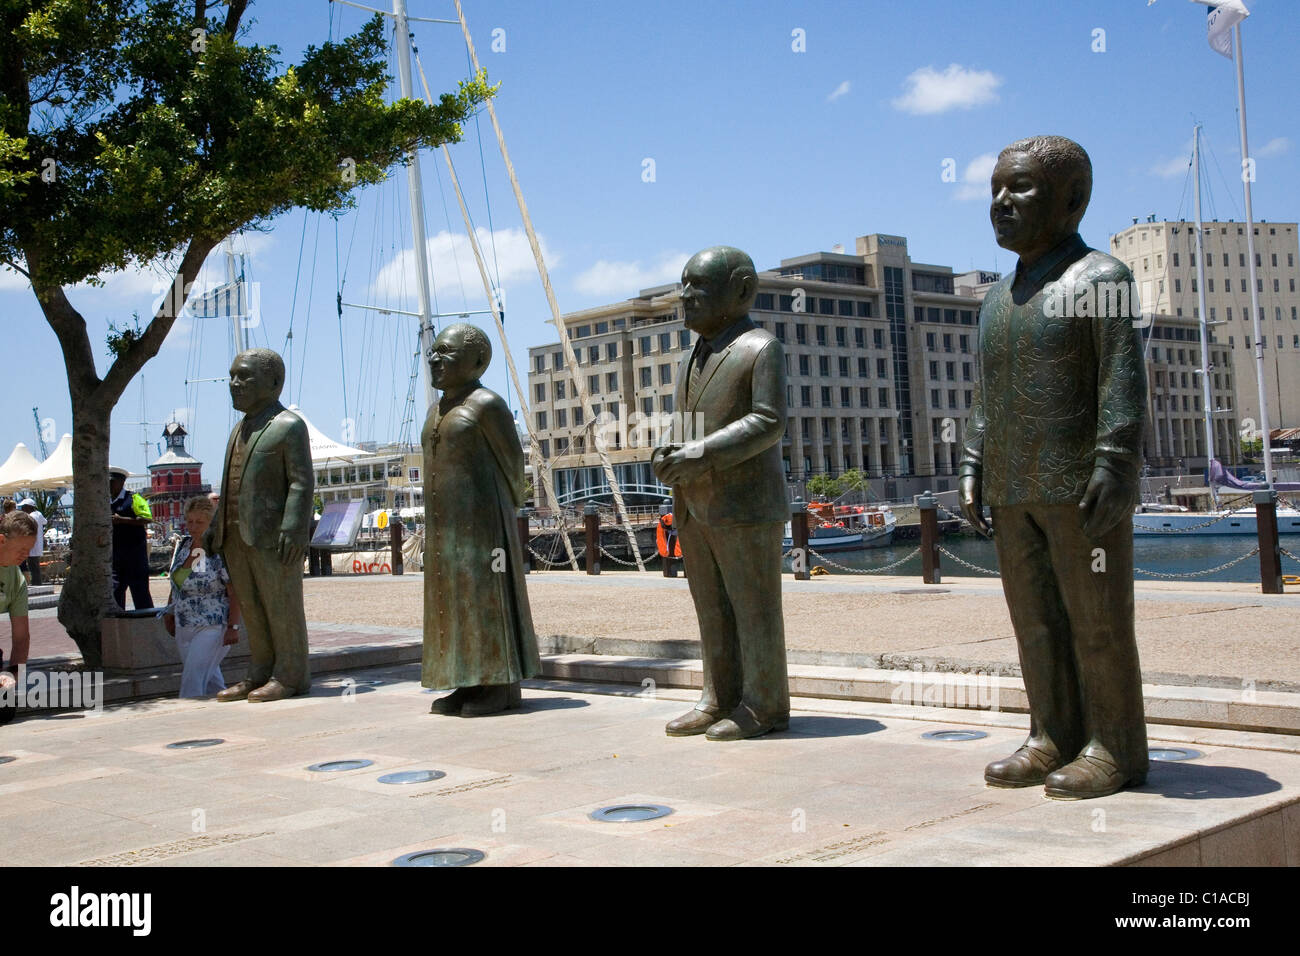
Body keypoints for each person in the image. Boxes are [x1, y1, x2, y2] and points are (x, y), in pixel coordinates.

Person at [958, 135, 1148, 799]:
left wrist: (1116, 462)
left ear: (1072, 200)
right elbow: (987, 395)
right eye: (995, 191)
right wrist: (974, 460)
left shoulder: (1102, 280)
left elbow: (1121, 379)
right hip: (1013, 486)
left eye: (1020, 189)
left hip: (1079, 485)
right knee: (1034, 621)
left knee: (1097, 622)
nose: (1002, 203)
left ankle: (1116, 745)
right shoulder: (994, 300)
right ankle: (1051, 734)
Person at [651, 246, 791, 741]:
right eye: (683, 283)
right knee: (711, 609)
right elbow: (688, 427)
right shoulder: (691, 355)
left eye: (699, 286)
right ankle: (718, 696)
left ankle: (764, 703)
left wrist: (699, 454)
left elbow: (769, 422)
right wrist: (672, 455)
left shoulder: (760, 349)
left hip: (746, 504)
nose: (685, 296)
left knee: (754, 609)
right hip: (694, 504)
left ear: (742, 290)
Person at [422, 324, 541, 717]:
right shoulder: (436, 410)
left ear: (476, 361)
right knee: (453, 603)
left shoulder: (487, 404)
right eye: (433, 352)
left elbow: (513, 466)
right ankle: (466, 678)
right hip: (445, 528)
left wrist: (500, 519)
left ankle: (500, 684)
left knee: (486, 600)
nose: (435, 359)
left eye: (446, 352)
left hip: (484, 525)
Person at [208, 348, 314, 703]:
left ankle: (290, 675)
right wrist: (215, 526)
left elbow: (301, 481)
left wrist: (295, 527)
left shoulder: (288, 425)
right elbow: (229, 484)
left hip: (273, 537)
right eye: (232, 377)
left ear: (273, 382)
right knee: (253, 608)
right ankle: (260, 670)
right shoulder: (238, 429)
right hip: (237, 536)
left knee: (282, 606)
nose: (235, 384)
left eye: (245, 377)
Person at [164, 495, 242, 698]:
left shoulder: (218, 550)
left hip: (212, 623)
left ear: (210, 523)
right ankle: (224, 715)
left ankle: (186, 718)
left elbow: (234, 591)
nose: (193, 526)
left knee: (193, 679)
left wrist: (233, 626)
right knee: (210, 680)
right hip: (184, 623)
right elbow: (176, 584)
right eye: (190, 521)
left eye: (200, 522)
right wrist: (169, 611)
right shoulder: (183, 546)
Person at [0, 512, 37, 726]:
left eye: (29, 550)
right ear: (2, 540)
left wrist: (13, 674)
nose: (26, 555)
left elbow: (21, 637)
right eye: (21, 549)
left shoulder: (17, 579)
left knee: (5, 711)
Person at [109, 467, 154, 610]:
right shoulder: (105, 501)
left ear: (122, 482)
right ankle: (118, 623)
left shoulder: (134, 498)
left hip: (135, 556)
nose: (109, 486)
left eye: (112, 482)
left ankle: (147, 624)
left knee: (140, 594)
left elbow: (147, 518)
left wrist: (122, 520)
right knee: (115, 592)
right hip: (115, 556)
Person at [17, 498, 46, 586]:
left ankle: (36, 584)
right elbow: (45, 522)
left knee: (33, 566)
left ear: (29, 507)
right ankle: (37, 583)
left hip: (32, 545)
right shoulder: (39, 514)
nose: (22, 509)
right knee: (35, 566)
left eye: (23, 507)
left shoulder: (30, 517)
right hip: (38, 545)